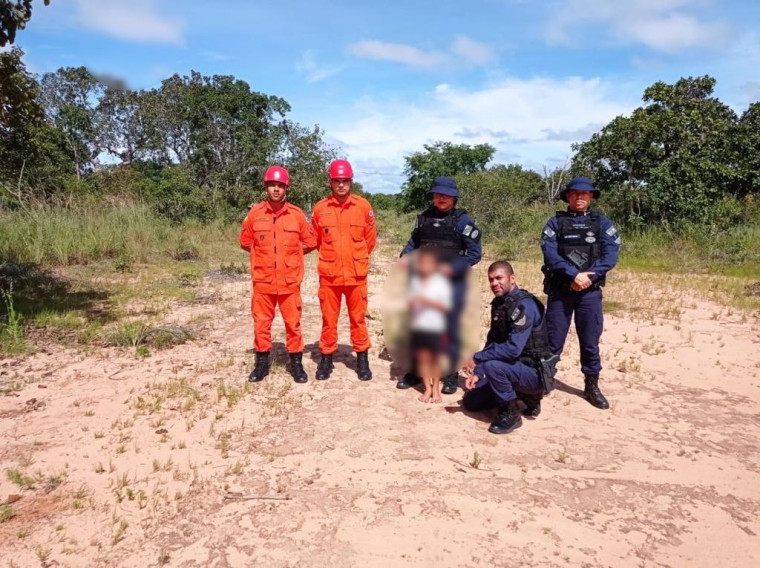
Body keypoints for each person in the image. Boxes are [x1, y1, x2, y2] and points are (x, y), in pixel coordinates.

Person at [540, 176, 621, 409]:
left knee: (590, 341)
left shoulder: (602, 224)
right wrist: (573, 275)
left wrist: (588, 276)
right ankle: (545, 381)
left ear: (591, 197)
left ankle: (591, 386)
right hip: (561, 291)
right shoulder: (555, 224)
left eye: (584, 194)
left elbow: (611, 256)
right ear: (567, 196)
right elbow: (550, 254)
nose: (579, 197)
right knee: (552, 340)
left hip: (590, 293)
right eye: (574, 193)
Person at [396, 176, 482, 395]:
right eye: (437, 194)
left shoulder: (463, 221)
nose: (440, 198)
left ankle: (451, 375)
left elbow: (475, 253)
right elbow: (413, 243)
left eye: (445, 194)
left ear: (454, 197)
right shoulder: (424, 218)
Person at [240, 166, 317, 383]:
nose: (276, 189)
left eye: (280, 185)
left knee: (293, 324)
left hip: (289, 281)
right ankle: (261, 365)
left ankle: (296, 365)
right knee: (261, 323)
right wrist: (266, 257)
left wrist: (291, 253)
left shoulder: (297, 215)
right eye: (272, 185)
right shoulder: (255, 214)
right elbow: (245, 242)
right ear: (266, 187)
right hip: (263, 281)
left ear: (286, 188)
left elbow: (310, 242)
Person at [461, 261, 554, 435]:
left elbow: (513, 349)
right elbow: (492, 341)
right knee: (471, 402)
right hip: (512, 368)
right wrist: (478, 372)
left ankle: (512, 411)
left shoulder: (524, 306)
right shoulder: (501, 304)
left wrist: (478, 358)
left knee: (493, 366)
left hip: (533, 372)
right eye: (491, 280)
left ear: (512, 279)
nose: (494, 283)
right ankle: (520, 395)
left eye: (499, 278)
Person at [311, 159, 378, 381]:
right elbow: (318, 240)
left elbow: (369, 240)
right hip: (329, 275)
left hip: (356, 275)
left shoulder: (363, 207)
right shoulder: (320, 208)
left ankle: (362, 360)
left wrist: (353, 258)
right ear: (330, 182)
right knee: (329, 320)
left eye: (345, 180)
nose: (341, 185)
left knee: (357, 319)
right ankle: (327, 360)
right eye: (337, 181)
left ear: (351, 181)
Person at [408, 246, 453, 403]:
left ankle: (436, 389)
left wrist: (428, 302)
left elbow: (446, 307)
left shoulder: (441, 283)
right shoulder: (415, 282)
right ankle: (427, 388)